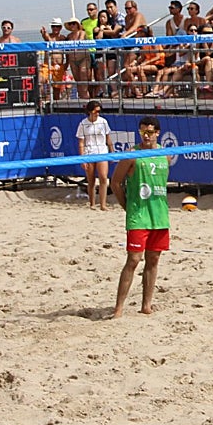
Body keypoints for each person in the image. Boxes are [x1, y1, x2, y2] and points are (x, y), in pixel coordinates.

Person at [109, 116, 173, 318]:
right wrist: (127, 207)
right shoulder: (132, 155)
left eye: (150, 132)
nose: (146, 135)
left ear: (157, 133)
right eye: (142, 131)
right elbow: (115, 183)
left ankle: (146, 305)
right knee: (134, 259)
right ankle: (118, 308)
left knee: (153, 259)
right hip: (138, 214)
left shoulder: (167, 155)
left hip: (160, 215)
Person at [76, 100, 111, 210]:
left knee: (103, 178)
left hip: (102, 152)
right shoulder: (83, 124)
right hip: (89, 153)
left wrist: (113, 152)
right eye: (96, 111)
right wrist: (82, 158)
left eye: (99, 111)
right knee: (91, 180)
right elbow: (81, 143)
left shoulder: (103, 122)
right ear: (90, 111)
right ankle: (92, 204)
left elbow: (108, 138)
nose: (98, 113)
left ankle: (103, 205)